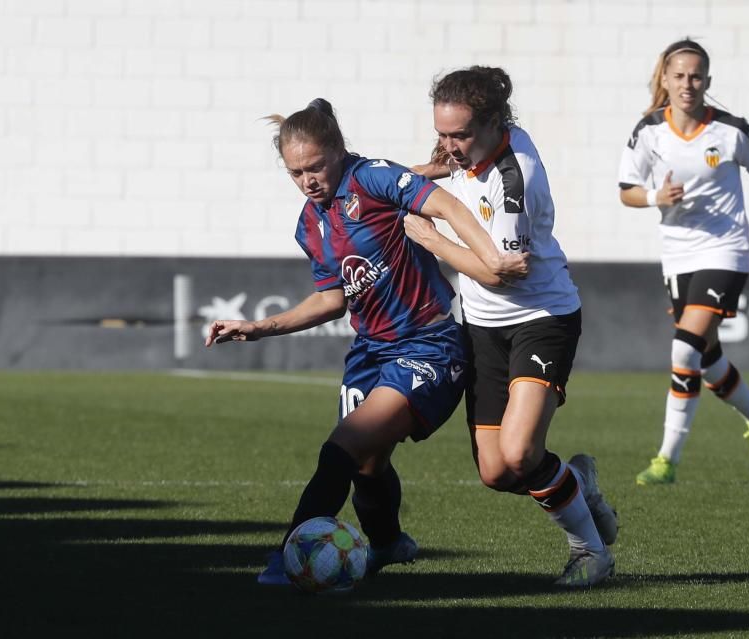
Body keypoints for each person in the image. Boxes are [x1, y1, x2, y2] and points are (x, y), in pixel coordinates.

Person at [206, 98, 528, 586]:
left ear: (338, 149)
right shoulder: (310, 225)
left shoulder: (372, 177)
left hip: (429, 343)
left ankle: (288, 559)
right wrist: (259, 326)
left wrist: (488, 254)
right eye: (296, 173)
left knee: (342, 448)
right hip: (370, 352)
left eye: (315, 166)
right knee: (367, 466)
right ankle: (387, 544)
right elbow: (332, 300)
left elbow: (444, 204)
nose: (308, 180)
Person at [407, 66, 618, 588]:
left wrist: (432, 240)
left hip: (540, 319)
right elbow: (434, 173)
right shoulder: (466, 153)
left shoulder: (514, 176)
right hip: (481, 329)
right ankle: (577, 481)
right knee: (497, 472)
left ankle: (590, 553)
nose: (449, 146)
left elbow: (503, 275)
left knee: (521, 452)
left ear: (494, 123)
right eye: (442, 133)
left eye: (460, 135)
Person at [617, 39, 749, 486]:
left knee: (684, 348)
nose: (687, 84)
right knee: (707, 358)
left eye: (696, 76)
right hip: (677, 254)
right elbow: (626, 190)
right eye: (679, 76)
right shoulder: (648, 131)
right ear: (665, 78)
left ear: (708, 82)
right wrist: (655, 197)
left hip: (726, 250)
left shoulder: (730, 130)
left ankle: (667, 460)